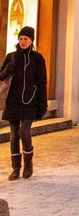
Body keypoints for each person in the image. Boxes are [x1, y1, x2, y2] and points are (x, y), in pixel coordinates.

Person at [0, 27, 47, 180]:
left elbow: (42, 82)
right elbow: (1, 77)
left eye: (26, 39)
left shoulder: (38, 58)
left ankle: (28, 164)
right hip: (12, 101)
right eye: (21, 39)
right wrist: (7, 70)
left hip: (30, 102)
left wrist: (42, 103)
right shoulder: (11, 57)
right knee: (13, 135)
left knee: (24, 132)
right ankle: (15, 168)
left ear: (31, 40)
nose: (23, 42)